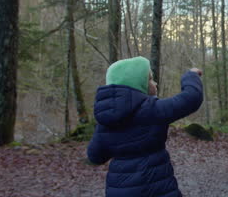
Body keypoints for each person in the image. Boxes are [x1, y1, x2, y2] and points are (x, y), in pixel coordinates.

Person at [87, 56, 203, 197]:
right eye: (149, 79)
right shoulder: (153, 110)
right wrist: (190, 76)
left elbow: (95, 156)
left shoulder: (105, 122)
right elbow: (191, 98)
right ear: (137, 84)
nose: (155, 83)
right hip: (157, 189)